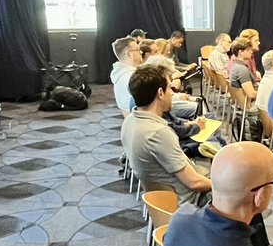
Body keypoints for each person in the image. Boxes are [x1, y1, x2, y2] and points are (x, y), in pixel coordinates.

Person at [121, 65, 212, 204]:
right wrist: (225, 187)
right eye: (169, 88)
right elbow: (194, 183)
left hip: (162, 201)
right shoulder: (159, 133)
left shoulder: (129, 122)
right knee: (242, 195)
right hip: (187, 204)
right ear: (160, 93)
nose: (171, 93)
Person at [110, 36, 142, 117]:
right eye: (138, 50)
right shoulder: (132, 77)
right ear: (128, 54)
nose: (141, 52)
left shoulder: (120, 74)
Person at [227, 37, 259, 102]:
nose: (251, 51)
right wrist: (267, 94)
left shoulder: (235, 66)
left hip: (243, 103)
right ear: (240, 52)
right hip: (252, 104)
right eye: (248, 49)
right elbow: (251, 94)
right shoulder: (241, 70)